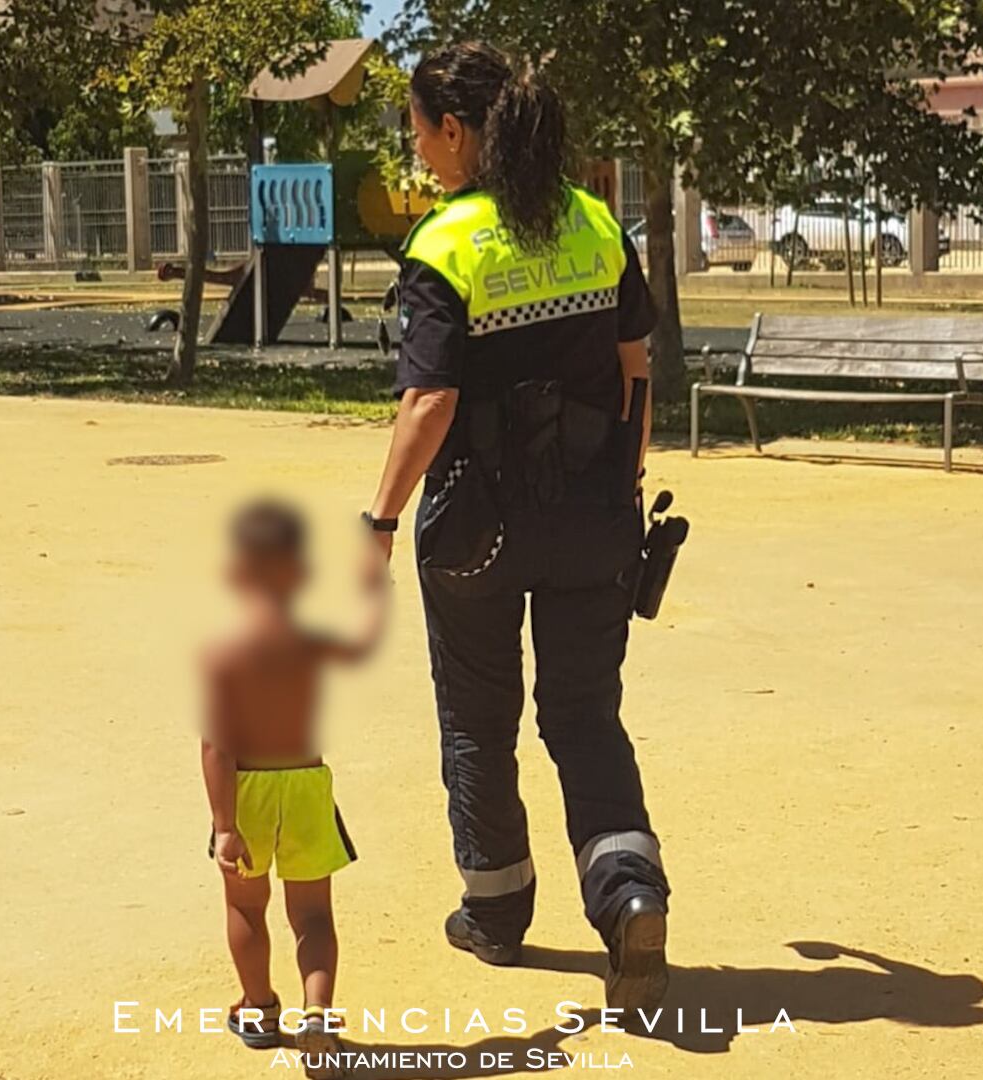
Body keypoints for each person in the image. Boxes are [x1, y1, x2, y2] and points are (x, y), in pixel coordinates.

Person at [362, 42, 671, 1010]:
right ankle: (627, 895)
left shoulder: (447, 245)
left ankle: (495, 912)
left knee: (477, 722)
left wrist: (379, 518)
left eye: (419, 135)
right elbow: (636, 375)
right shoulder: (594, 225)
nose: (420, 154)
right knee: (584, 716)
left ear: (456, 131)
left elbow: (429, 406)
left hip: (476, 535)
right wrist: (624, 485)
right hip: (591, 517)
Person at [200, 498, 386, 1078]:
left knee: (246, 908)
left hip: (248, 791)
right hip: (306, 787)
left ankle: (258, 1009)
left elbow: (217, 746)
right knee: (313, 916)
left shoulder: (226, 654)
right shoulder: (310, 644)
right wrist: (376, 579)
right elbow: (362, 643)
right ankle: (318, 1016)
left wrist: (226, 827)